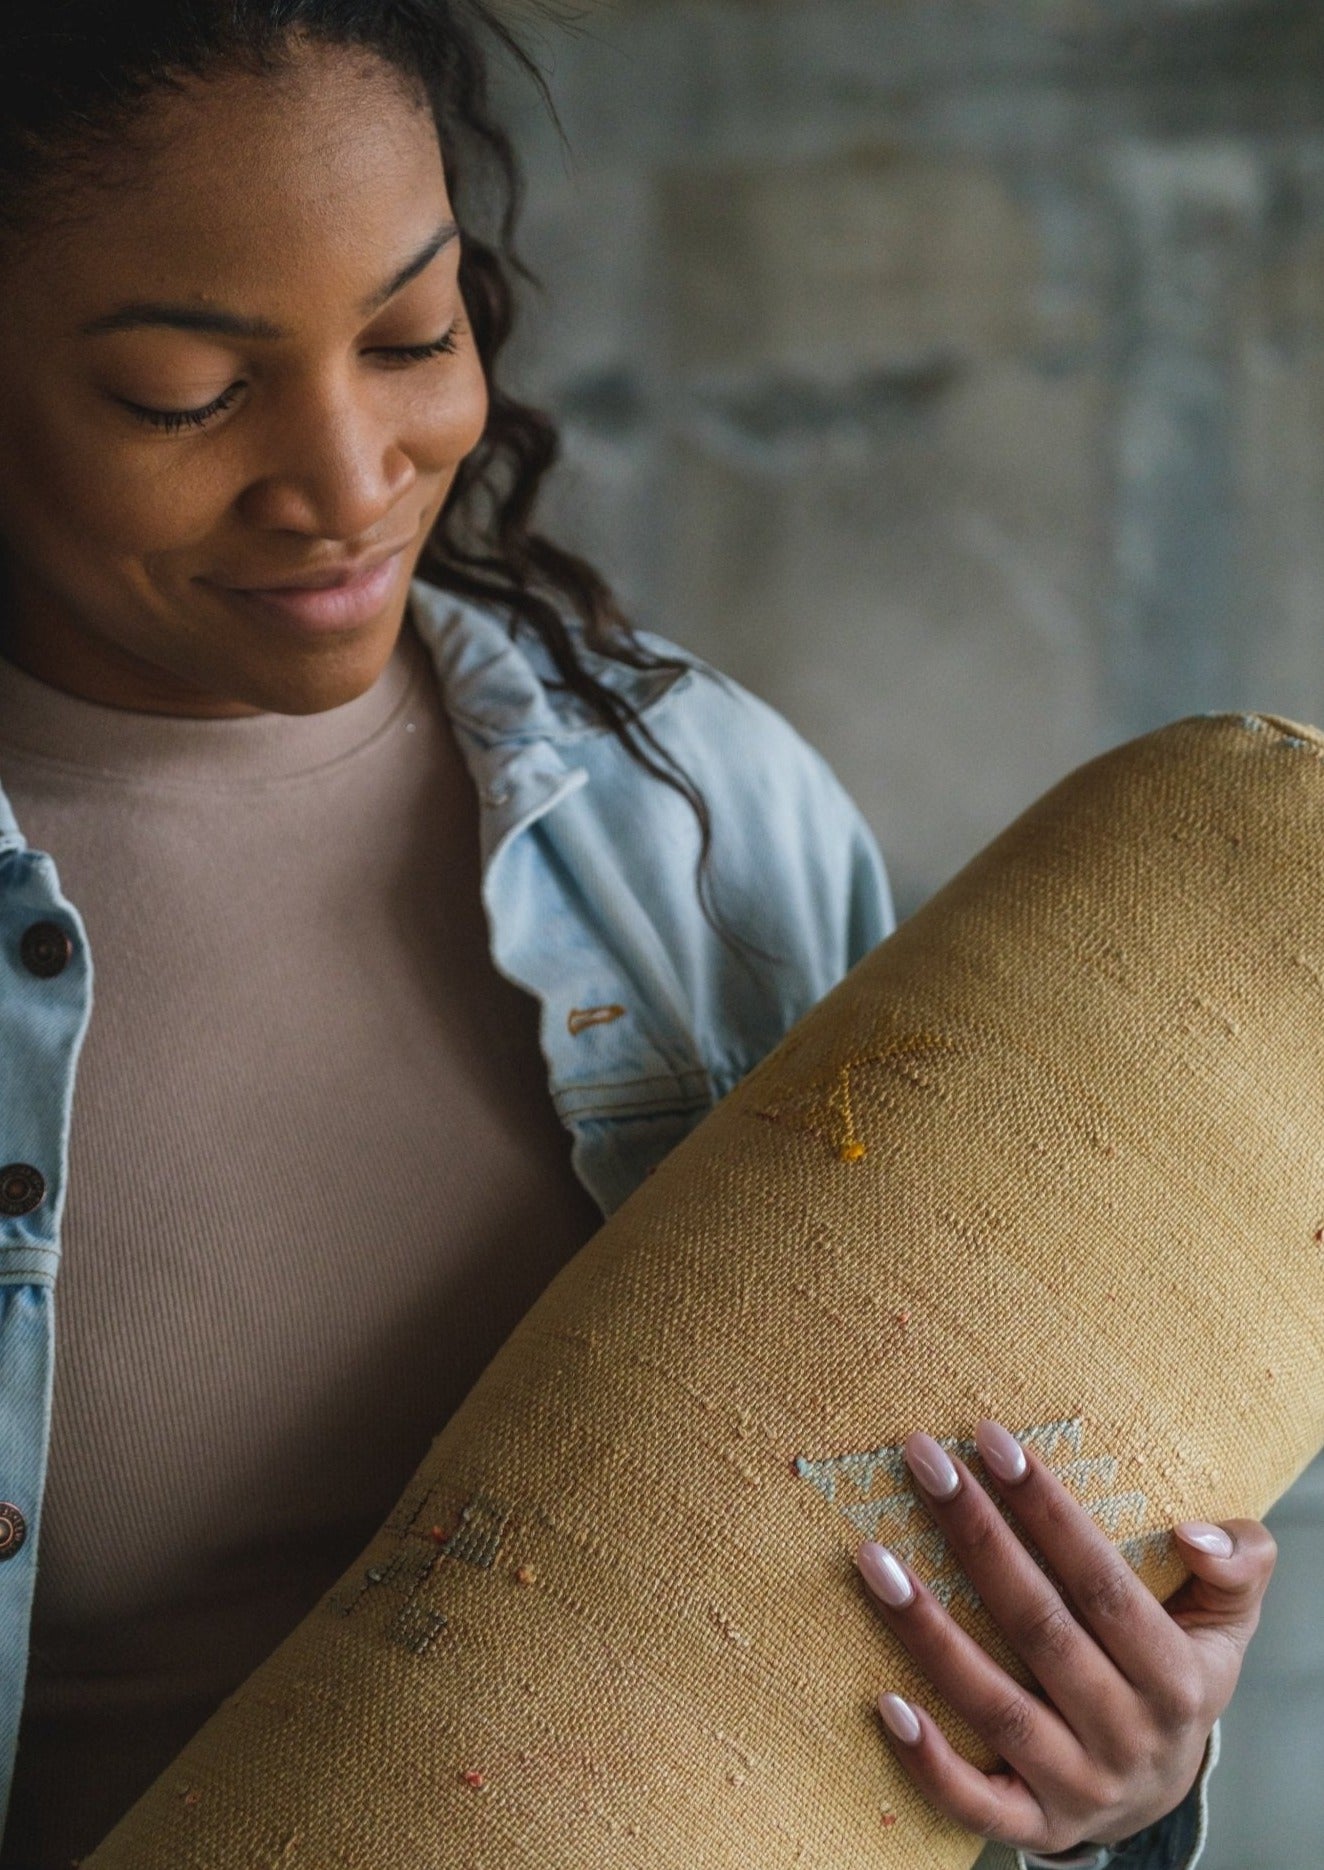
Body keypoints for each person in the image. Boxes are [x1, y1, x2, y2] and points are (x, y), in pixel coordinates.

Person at [0, 4, 1275, 1867]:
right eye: (186, 390)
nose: (350, 477)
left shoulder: (700, 824)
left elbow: (917, 1615)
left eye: (412, 336)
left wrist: (1103, 1784)